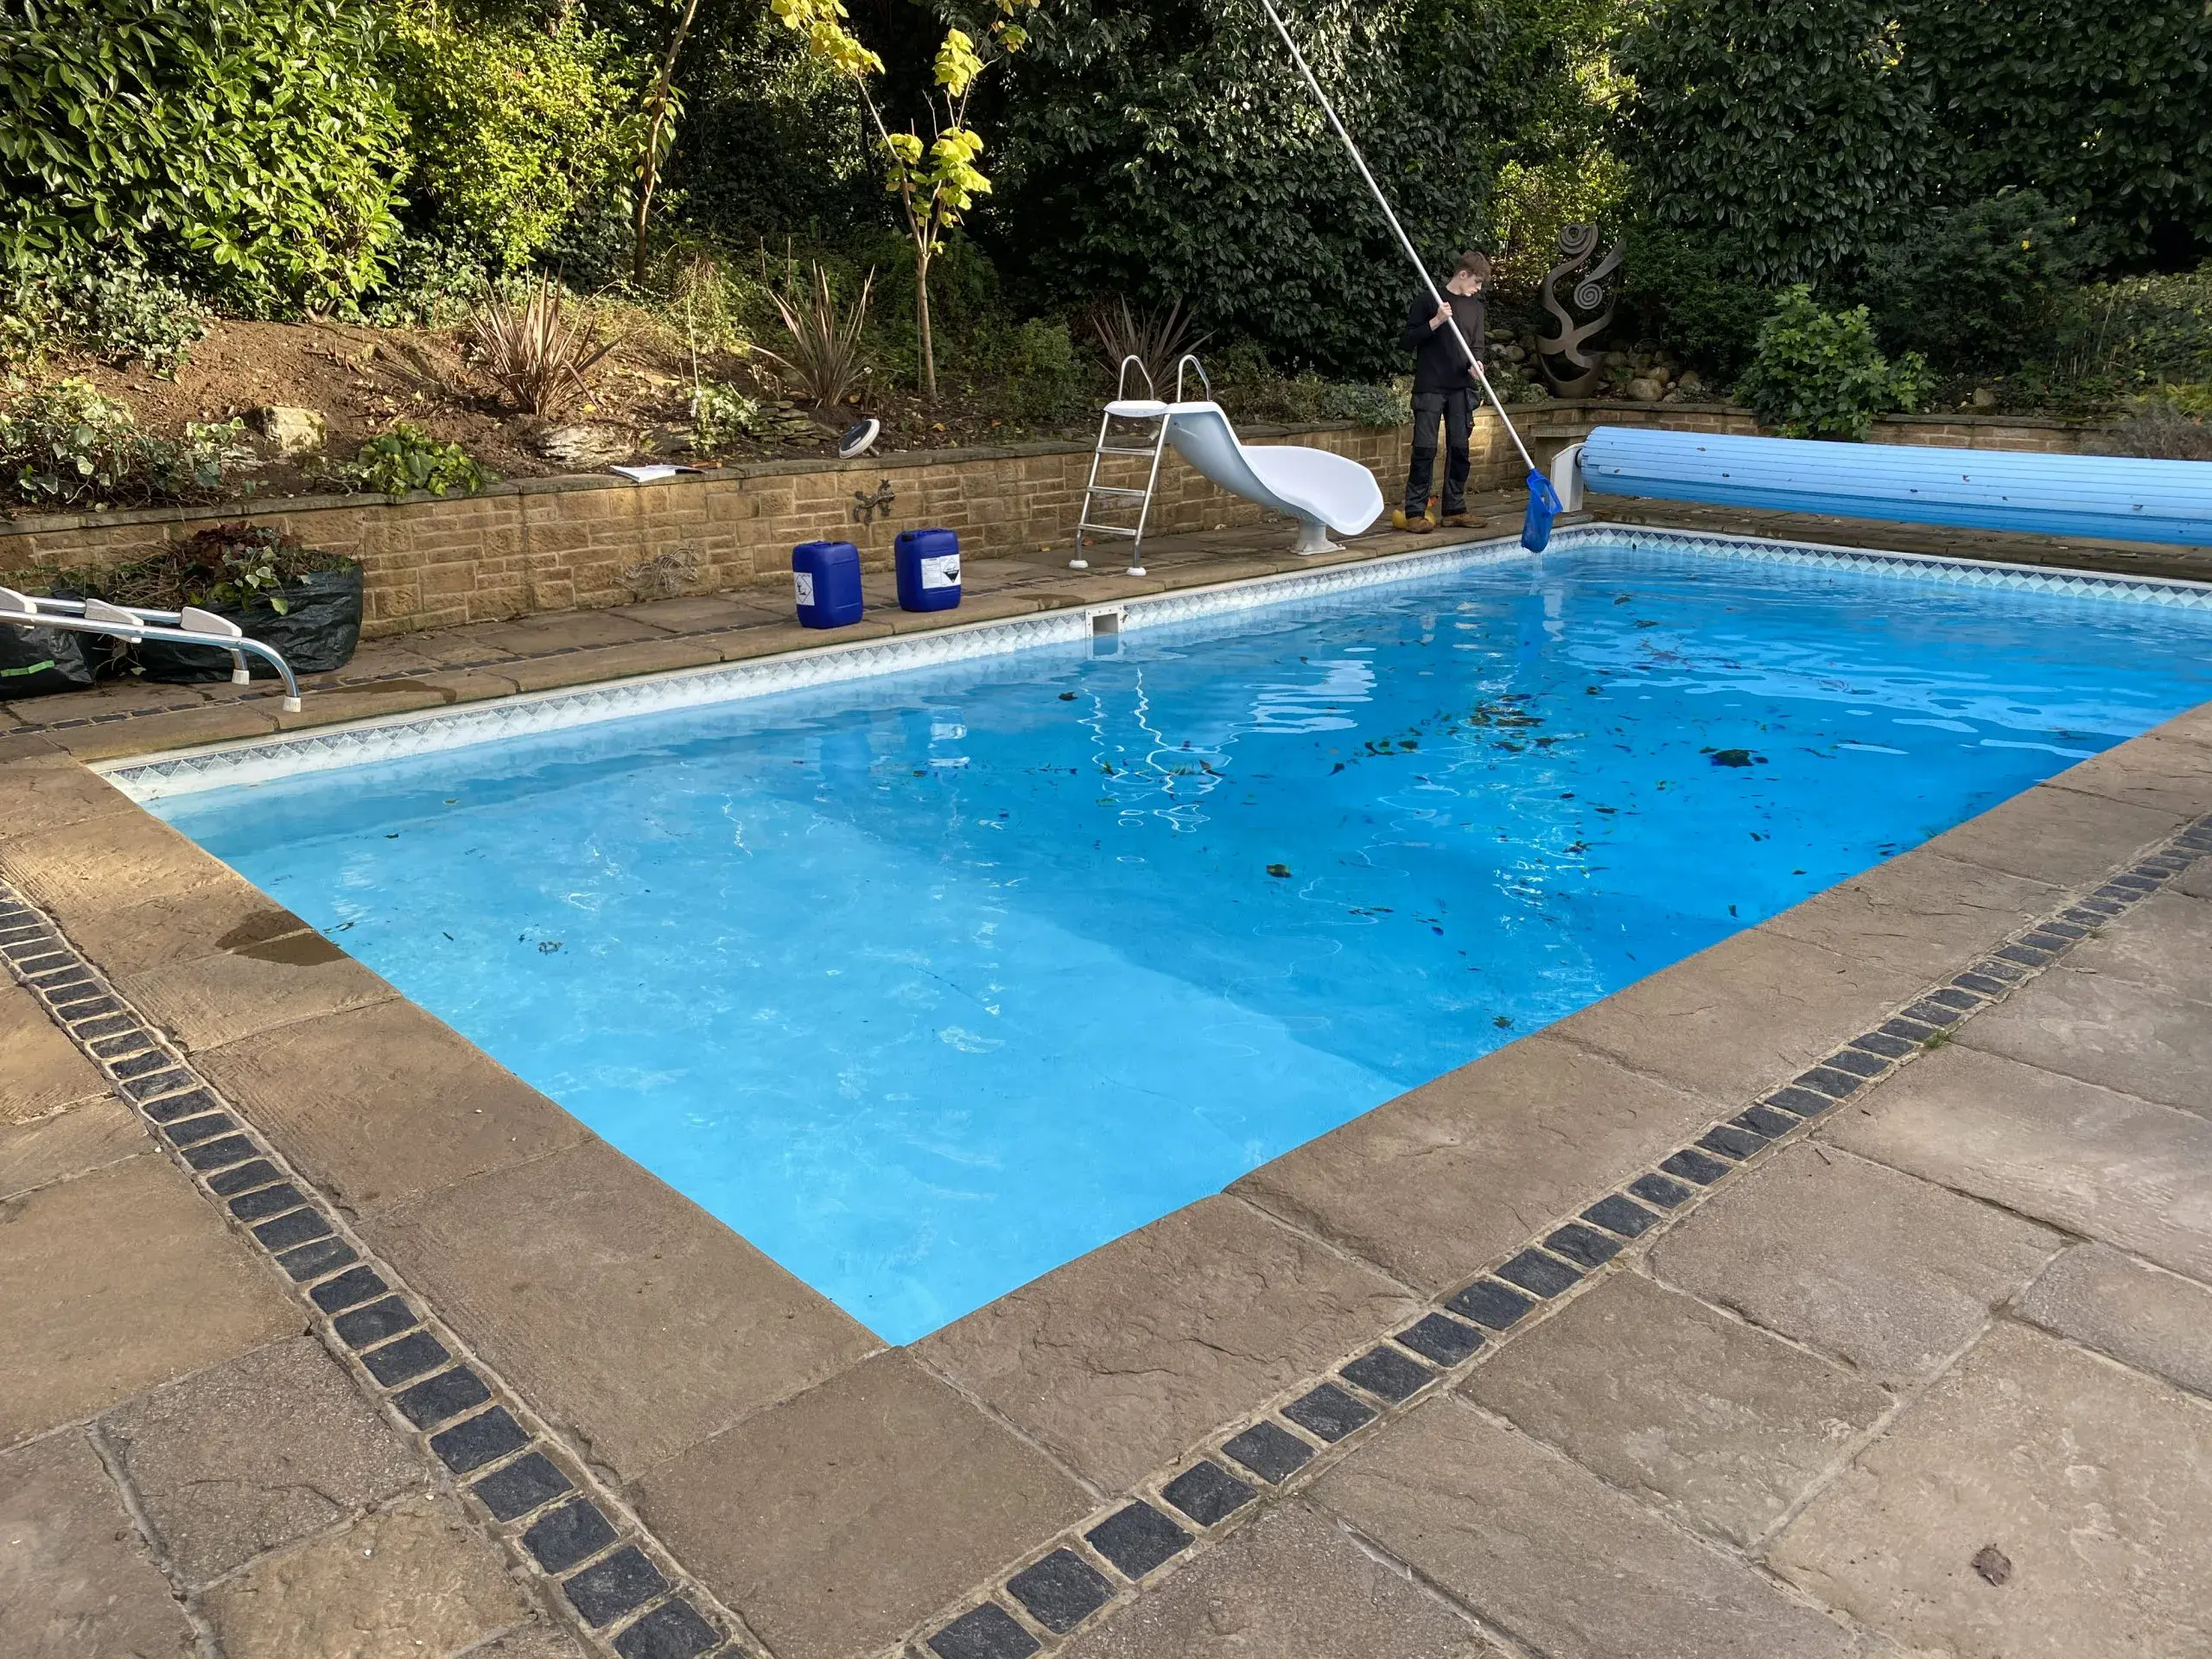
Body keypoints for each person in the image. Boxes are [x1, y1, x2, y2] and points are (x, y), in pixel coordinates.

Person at [1393, 251, 1489, 532]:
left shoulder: (1476, 309)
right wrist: (1435, 322)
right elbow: (1406, 341)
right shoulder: (1429, 301)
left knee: (1460, 449)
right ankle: (1414, 513)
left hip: (1461, 388)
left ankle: (1455, 510)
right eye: (1477, 282)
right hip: (1430, 387)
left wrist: (1478, 364)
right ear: (1463, 274)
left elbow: (1478, 346)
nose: (1478, 288)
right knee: (1424, 449)